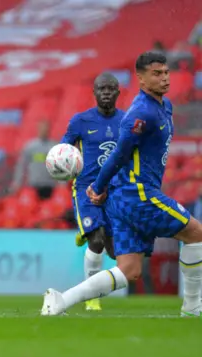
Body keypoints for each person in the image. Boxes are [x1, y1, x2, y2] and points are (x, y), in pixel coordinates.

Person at [42, 51, 202, 317]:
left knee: (130, 270)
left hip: (127, 197)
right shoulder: (140, 113)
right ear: (140, 78)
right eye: (156, 74)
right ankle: (193, 307)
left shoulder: (165, 107)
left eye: (166, 73)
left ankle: (60, 300)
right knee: (196, 233)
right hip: (138, 194)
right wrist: (99, 185)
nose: (164, 78)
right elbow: (119, 153)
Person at [60, 72, 124, 311]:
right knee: (96, 241)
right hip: (87, 190)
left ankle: (85, 230)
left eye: (110, 88)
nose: (106, 92)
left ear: (118, 91)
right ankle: (91, 297)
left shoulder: (127, 121)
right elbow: (64, 150)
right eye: (101, 88)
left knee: (116, 251)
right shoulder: (80, 121)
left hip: (115, 192)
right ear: (94, 92)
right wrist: (62, 165)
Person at [11, 120, 58, 199]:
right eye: (42, 129)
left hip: (50, 185)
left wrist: (61, 183)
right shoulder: (30, 146)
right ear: (38, 129)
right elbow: (22, 165)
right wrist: (17, 182)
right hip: (34, 184)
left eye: (46, 129)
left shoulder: (54, 147)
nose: (44, 131)